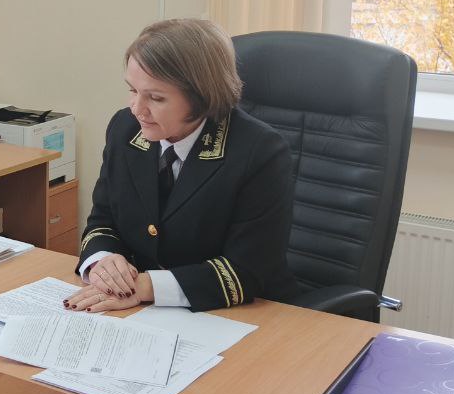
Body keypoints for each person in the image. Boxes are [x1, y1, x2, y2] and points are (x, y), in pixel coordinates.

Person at [67, 19, 297, 313]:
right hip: (144, 313)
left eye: (156, 97)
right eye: (133, 90)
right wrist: (103, 262)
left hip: (241, 314)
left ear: (201, 97)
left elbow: (247, 270)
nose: (137, 109)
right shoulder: (125, 129)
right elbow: (103, 220)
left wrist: (146, 287)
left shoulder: (260, 152)